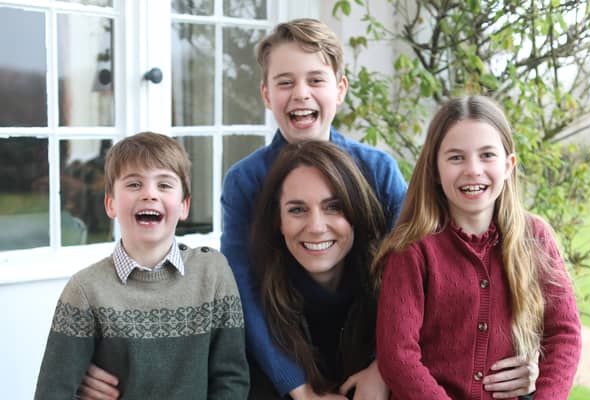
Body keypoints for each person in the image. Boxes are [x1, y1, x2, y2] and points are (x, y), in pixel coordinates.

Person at [76, 21, 540, 400]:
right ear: (266, 95)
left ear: (338, 90)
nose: (300, 94)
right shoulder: (246, 181)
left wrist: (519, 351)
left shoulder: (377, 170)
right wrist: (297, 388)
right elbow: (241, 293)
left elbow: (431, 268)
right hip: (282, 350)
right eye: (285, 82)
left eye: (315, 80)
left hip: (372, 347)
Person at [374, 96, 582, 400]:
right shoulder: (412, 251)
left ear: (509, 165)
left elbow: (564, 335)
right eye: (456, 157)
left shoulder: (535, 237)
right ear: (434, 169)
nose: (473, 170)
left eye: (487, 155)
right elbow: (398, 356)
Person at [34, 132, 249, 400]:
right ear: (110, 204)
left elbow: (231, 379)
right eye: (134, 184)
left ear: (184, 206)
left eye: (165, 185)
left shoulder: (213, 272)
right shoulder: (85, 291)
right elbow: (52, 392)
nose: (149, 194)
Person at [249, 141, 388, 399]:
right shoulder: (257, 315)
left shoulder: (389, 295)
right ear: (278, 221)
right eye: (297, 210)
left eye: (333, 207)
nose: (315, 226)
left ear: (356, 212)